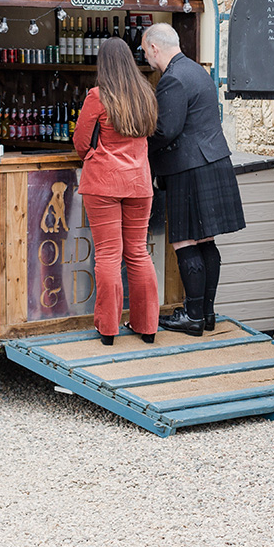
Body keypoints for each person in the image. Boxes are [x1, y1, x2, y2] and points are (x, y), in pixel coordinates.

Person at [142, 23, 246, 337]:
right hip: (211, 162)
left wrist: (138, 144)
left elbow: (166, 130)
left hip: (189, 168)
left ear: (154, 48)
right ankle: (206, 313)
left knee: (185, 240)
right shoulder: (196, 71)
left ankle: (192, 317)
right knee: (206, 241)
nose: (145, 56)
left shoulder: (172, 78)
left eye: (145, 51)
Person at [74, 39, 160, 346]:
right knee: (137, 252)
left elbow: (81, 142)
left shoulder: (97, 97)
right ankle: (147, 326)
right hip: (139, 182)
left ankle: (108, 329)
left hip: (104, 184)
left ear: (104, 64)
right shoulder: (146, 94)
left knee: (108, 255)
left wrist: (95, 154)